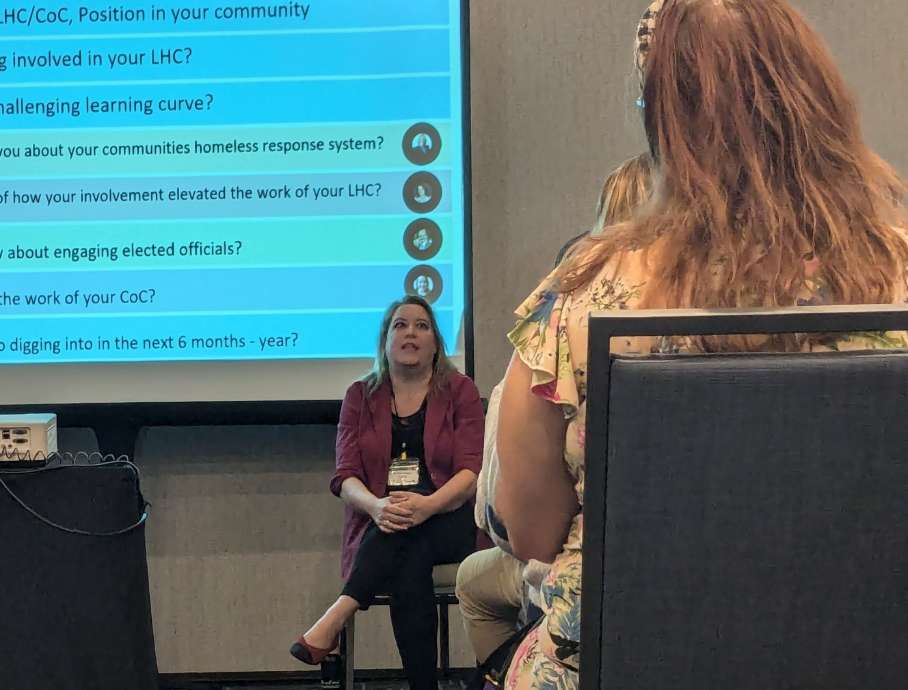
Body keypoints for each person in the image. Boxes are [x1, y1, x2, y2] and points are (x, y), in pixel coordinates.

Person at [495, 2, 908, 689]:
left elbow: (530, 532)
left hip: (614, 664)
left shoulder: (581, 295)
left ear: (663, 121)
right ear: (819, 98)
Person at [455, 152, 653, 668]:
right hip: (820, 625)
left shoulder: (570, 307)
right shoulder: (880, 273)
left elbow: (529, 535)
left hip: (609, 628)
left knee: (480, 584)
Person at [291, 295, 485, 690]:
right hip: (383, 522)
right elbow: (345, 477)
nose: (410, 332)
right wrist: (377, 506)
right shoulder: (360, 397)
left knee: (405, 536)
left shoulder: (460, 392)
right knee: (408, 554)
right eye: (400, 325)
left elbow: (471, 471)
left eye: (421, 325)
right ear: (385, 341)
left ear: (436, 344)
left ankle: (340, 611)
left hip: (451, 518)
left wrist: (428, 506)